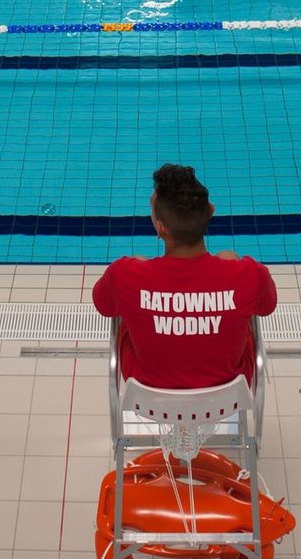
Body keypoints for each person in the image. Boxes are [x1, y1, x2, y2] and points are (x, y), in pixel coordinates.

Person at [93, 164, 277, 391]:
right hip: (229, 391)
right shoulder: (249, 275)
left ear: (160, 228)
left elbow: (104, 306)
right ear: (210, 211)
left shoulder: (124, 274)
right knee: (229, 258)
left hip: (147, 390)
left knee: (129, 288)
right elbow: (267, 306)